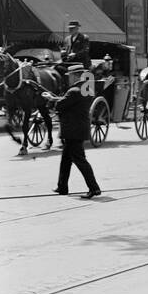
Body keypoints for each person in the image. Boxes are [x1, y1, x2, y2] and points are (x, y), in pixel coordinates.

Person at [47, 69, 102, 198]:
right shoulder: (86, 90)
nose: (69, 78)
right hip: (78, 129)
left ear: (77, 76)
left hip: (73, 130)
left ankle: (94, 188)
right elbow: (70, 103)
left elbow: (61, 105)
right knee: (66, 160)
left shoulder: (73, 91)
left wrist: (51, 99)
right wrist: (56, 98)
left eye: (70, 76)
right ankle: (62, 187)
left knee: (80, 160)